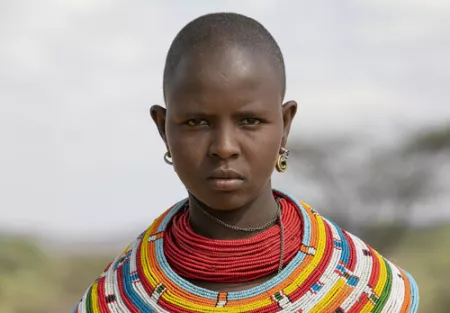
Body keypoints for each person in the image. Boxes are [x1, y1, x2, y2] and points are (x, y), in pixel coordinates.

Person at [73, 12, 419, 313]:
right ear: (163, 128)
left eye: (250, 120)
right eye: (196, 122)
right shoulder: (118, 299)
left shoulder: (363, 290)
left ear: (285, 125)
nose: (224, 147)